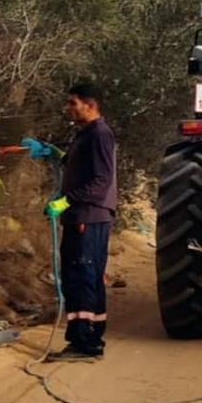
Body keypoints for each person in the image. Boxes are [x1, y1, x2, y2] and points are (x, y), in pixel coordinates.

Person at [22, 81, 118, 360]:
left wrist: (67, 200)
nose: (67, 109)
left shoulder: (99, 134)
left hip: (88, 215)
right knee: (86, 275)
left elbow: (101, 180)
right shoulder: (86, 134)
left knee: (82, 275)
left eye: (72, 103)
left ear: (90, 105)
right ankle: (91, 337)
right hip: (83, 216)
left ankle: (83, 342)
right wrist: (57, 154)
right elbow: (83, 165)